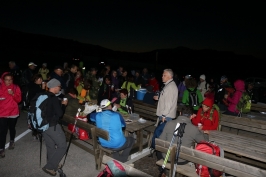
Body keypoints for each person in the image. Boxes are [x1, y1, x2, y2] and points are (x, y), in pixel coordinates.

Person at [41, 78, 68, 176]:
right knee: (62, 146)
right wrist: (64, 105)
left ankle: (53, 163)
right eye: (59, 87)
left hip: (42, 125)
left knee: (50, 145)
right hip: (52, 125)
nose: (60, 88)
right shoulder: (53, 98)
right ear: (55, 87)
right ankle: (49, 167)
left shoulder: (43, 95)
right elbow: (60, 114)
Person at [0, 72, 22, 158]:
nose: (9, 81)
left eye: (10, 80)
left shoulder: (16, 87)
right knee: (2, 130)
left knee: (11, 128)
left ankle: (12, 141)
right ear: (3, 80)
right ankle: (1, 148)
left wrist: (13, 94)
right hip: (2, 112)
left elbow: (19, 100)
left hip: (13, 111)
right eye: (7, 80)